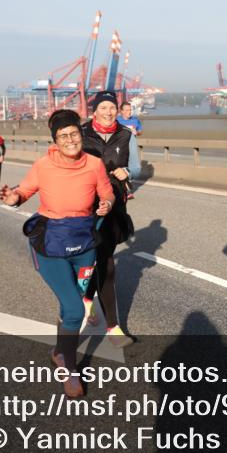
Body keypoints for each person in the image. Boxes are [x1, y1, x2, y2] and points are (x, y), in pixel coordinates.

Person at [0, 109, 114, 398]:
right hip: (50, 245)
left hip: (84, 245)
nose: (70, 140)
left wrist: (107, 205)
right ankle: (70, 371)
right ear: (55, 140)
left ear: (81, 134)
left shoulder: (95, 164)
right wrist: (13, 198)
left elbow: (107, 192)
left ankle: (60, 352)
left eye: (74, 134)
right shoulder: (43, 165)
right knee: (77, 309)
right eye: (63, 136)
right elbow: (23, 192)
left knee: (70, 306)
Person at [81, 91, 141, 346]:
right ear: (95, 111)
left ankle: (86, 299)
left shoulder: (126, 135)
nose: (108, 112)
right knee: (105, 265)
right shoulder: (81, 134)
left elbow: (137, 167)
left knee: (103, 259)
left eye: (112, 107)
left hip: (114, 206)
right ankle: (113, 327)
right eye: (103, 107)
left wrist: (125, 170)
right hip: (85, 206)